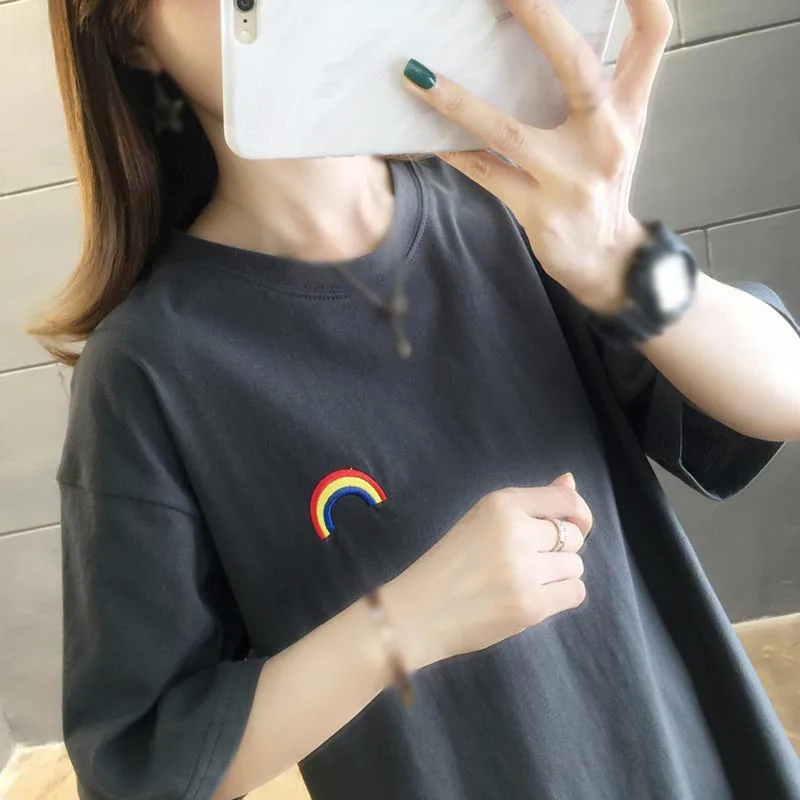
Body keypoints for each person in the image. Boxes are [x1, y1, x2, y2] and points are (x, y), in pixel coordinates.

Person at [32, 0, 800, 798]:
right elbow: (141, 768)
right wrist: (402, 625)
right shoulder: (148, 369)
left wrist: (619, 255)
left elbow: (786, 389)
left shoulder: (514, 203)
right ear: (131, 33)